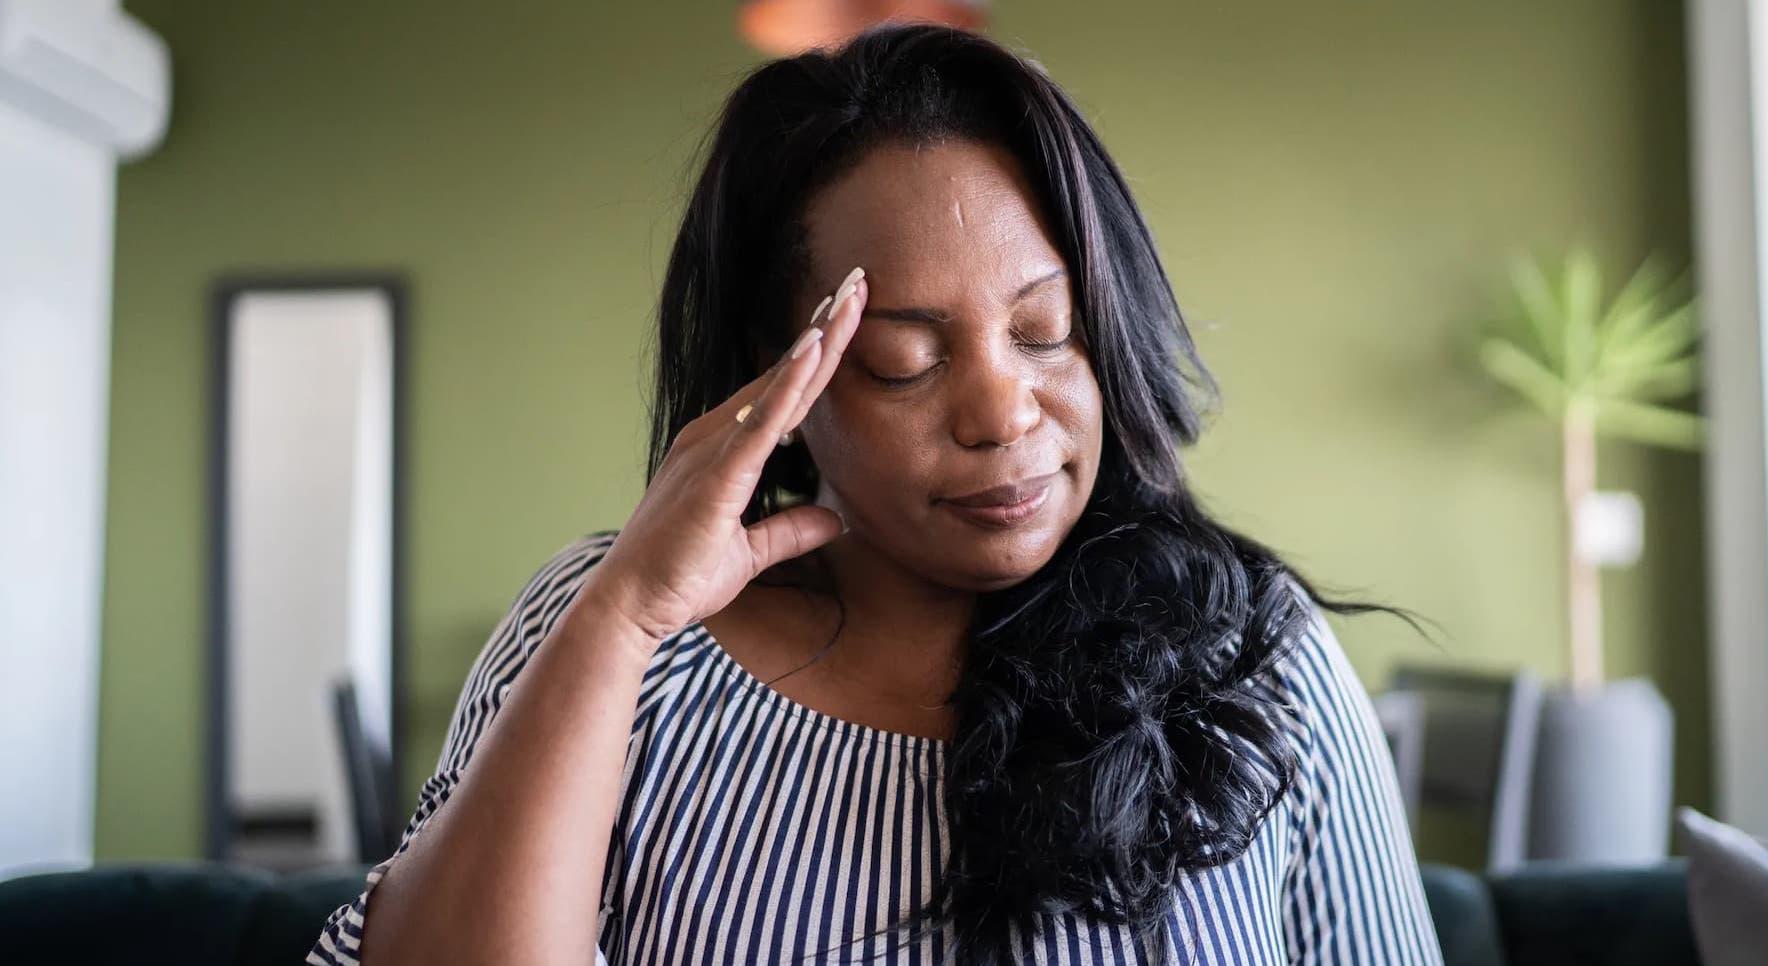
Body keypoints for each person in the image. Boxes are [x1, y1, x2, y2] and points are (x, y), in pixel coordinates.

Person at [308, 22, 1440, 966]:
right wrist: (621, 618)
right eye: (904, 360)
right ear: (780, 377)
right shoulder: (613, 630)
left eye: (1047, 334)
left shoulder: (1248, 655)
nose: (1002, 412)